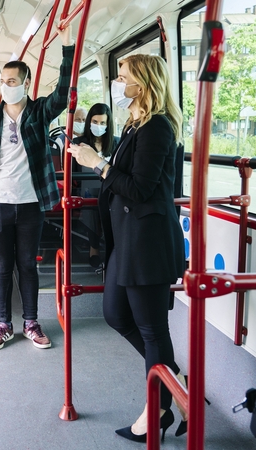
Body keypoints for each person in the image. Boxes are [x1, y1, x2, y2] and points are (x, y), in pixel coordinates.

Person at [68, 54, 185, 442]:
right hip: (127, 240)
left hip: (147, 242)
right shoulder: (135, 125)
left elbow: (139, 188)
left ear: (144, 83)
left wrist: (96, 163)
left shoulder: (157, 128)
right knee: (116, 313)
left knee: (152, 329)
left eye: (123, 77)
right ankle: (172, 379)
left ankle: (159, 411)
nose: (117, 84)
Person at [0, 22, 73, 351]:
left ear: (26, 84)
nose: (6, 86)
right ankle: (3, 324)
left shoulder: (40, 112)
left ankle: (31, 322)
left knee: (27, 264)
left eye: (12, 81)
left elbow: (64, 91)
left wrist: (67, 47)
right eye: (3, 81)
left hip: (31, 204)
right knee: (1, 266)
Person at [72, 103, 117, 268]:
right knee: (91, 195)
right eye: (95, 122)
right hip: (87, 190)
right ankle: (94, 247)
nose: (98, 126)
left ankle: (112, 248)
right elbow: (73, 174)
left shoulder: (116, 144)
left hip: (110, 189)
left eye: (103, 123)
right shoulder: (79, 143)